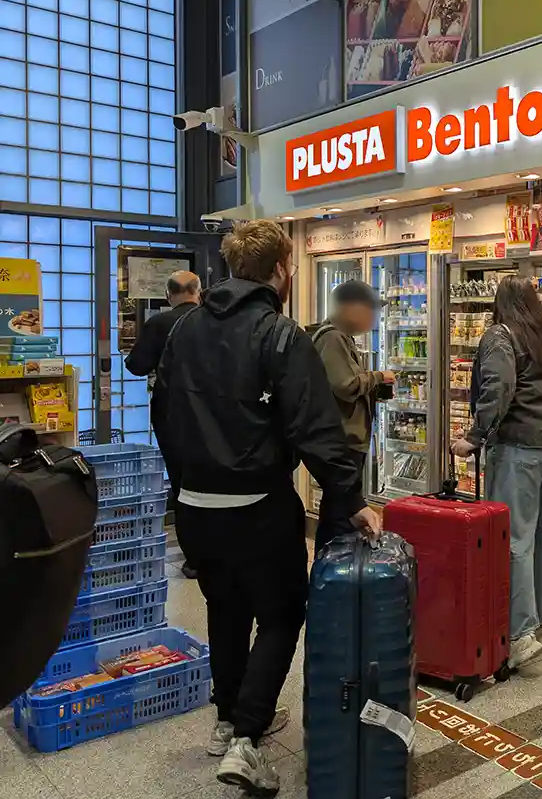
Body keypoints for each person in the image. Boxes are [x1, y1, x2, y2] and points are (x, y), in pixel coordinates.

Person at [154, 220, 380, 796]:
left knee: (224, 609)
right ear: (281, 270)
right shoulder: (280, 335)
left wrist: (184, 481)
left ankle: (227, 716)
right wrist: (348, 497)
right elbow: (315, 428)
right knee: (282, 613)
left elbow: (164, 414)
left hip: (194, 507)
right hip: (257, 504)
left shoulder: (184, 332)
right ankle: (247, 740)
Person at [452, 276, 542, 669]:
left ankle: (520, 634)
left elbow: (499, 386)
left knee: (515, 538)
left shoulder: (499, 335)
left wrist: (475, 436)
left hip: (520, 444)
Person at [126, 270, 204, 578]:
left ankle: (194, 558)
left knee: (182, 482)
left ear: (169, 295)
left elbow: (136, 365)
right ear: (199, 292)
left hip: (171, 414)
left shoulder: (159, 323)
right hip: (215, 412)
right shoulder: (215, 321)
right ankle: (220, 552)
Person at [308, 279, 395, 540]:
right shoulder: (333, 338)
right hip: (342, 443)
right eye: (371, 310)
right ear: (351, 309)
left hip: (346, 441)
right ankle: (333, 574)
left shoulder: (339, 337)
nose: (373, 317)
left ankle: (334, 572)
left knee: (340, 514)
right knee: (340, 517)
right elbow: (344, 385)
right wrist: (378, 377)